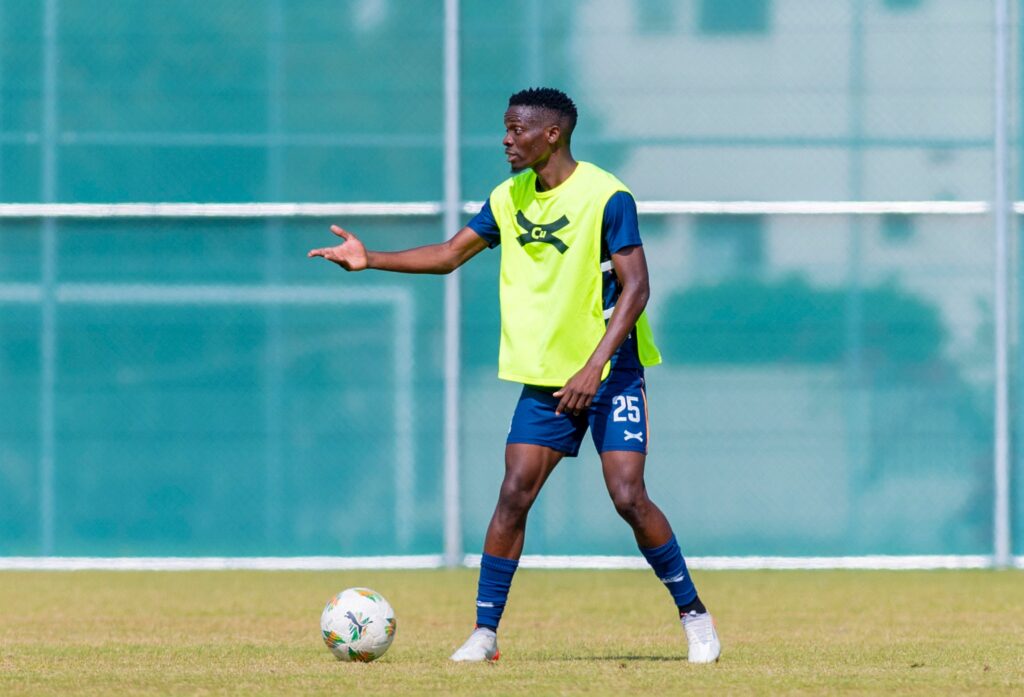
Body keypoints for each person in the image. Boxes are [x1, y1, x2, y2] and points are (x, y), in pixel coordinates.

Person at [308, 87, 721, 664]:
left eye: (515, 129)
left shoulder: (607, 196)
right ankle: (485, 633)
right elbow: (451, 253)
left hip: (611, 369)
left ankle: (695, 618)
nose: (506, 139)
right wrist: (370, 257)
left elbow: (638, 287)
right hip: (549, 377)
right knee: (513, 493)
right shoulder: (508, 197)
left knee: (628, 496)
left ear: (552, 133)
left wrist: (594, 365)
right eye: (505, 129)